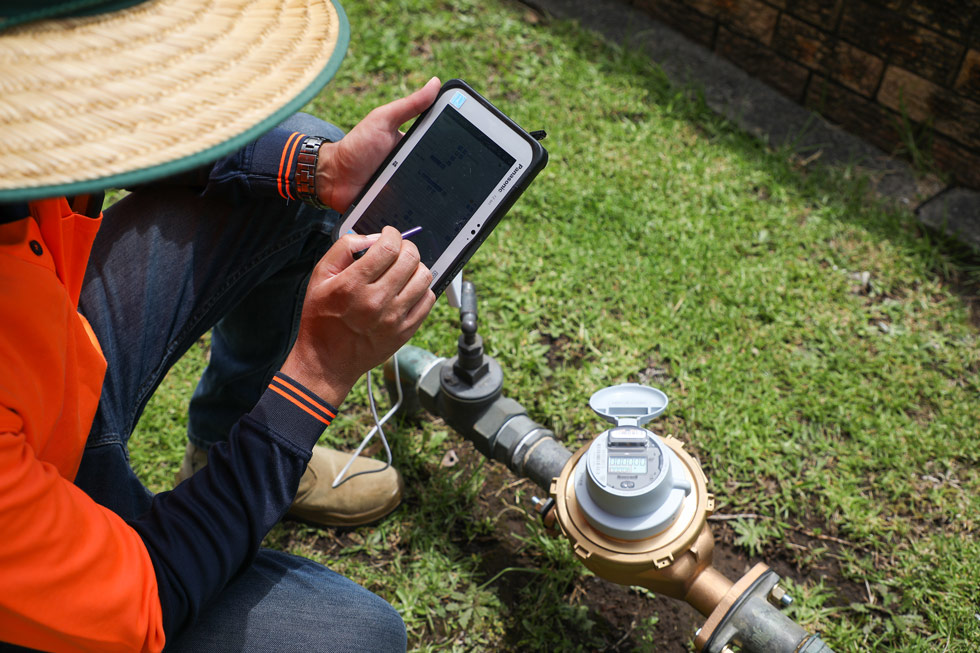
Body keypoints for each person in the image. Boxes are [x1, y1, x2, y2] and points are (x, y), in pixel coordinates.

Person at [0, 0, 438, 650]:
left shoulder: (28, 126)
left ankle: (225, 451)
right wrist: (314, 375)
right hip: (33, 537)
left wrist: (318, 166)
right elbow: (147, 598)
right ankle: (245, 470)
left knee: (299, 191)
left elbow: (119, 133)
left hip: (53, 375)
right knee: (357, 638)